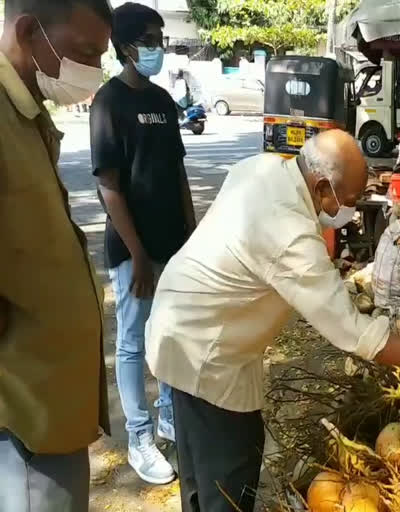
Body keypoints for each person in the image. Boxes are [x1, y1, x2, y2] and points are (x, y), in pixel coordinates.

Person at [145, 130, 400, 512]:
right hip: (205, 352)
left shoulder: (262, 168)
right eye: (351, 200)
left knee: (201, 466)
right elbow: (351, 331)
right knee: (227, 476)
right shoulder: (289, 233)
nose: (351, 212)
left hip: (184, 321)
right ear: (322, 186)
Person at [0, 0, 112, 510]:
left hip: (53, 408)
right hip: (24, 417)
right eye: (85, 52)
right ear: (28, 32)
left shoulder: (27, 113)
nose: (92, 70)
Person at [89, 2, 196, 485]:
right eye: (151, 40)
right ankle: (138, 437)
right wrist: (136, 255)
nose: (159, 47)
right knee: (132, 343)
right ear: (128, 46)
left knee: (170, 331)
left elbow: (176, 170)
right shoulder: (107, 103)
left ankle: (170, 412)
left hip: (173, 242)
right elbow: (109, 187)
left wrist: (192, 235)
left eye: (161, 39)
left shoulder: (161, 100)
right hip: (133, 250)